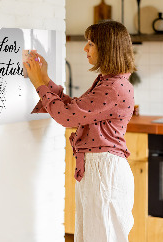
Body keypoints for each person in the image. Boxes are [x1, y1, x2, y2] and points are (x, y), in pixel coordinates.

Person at [24, 20, 136, 242]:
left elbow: (67, 117)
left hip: (104, 171)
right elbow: (75, 109)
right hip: (99, 169)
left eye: (91, 43)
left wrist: (39, 84)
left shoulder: (113, 87)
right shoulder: (109, 82)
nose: (85, 48)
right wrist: (45, 79)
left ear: (107, 48)